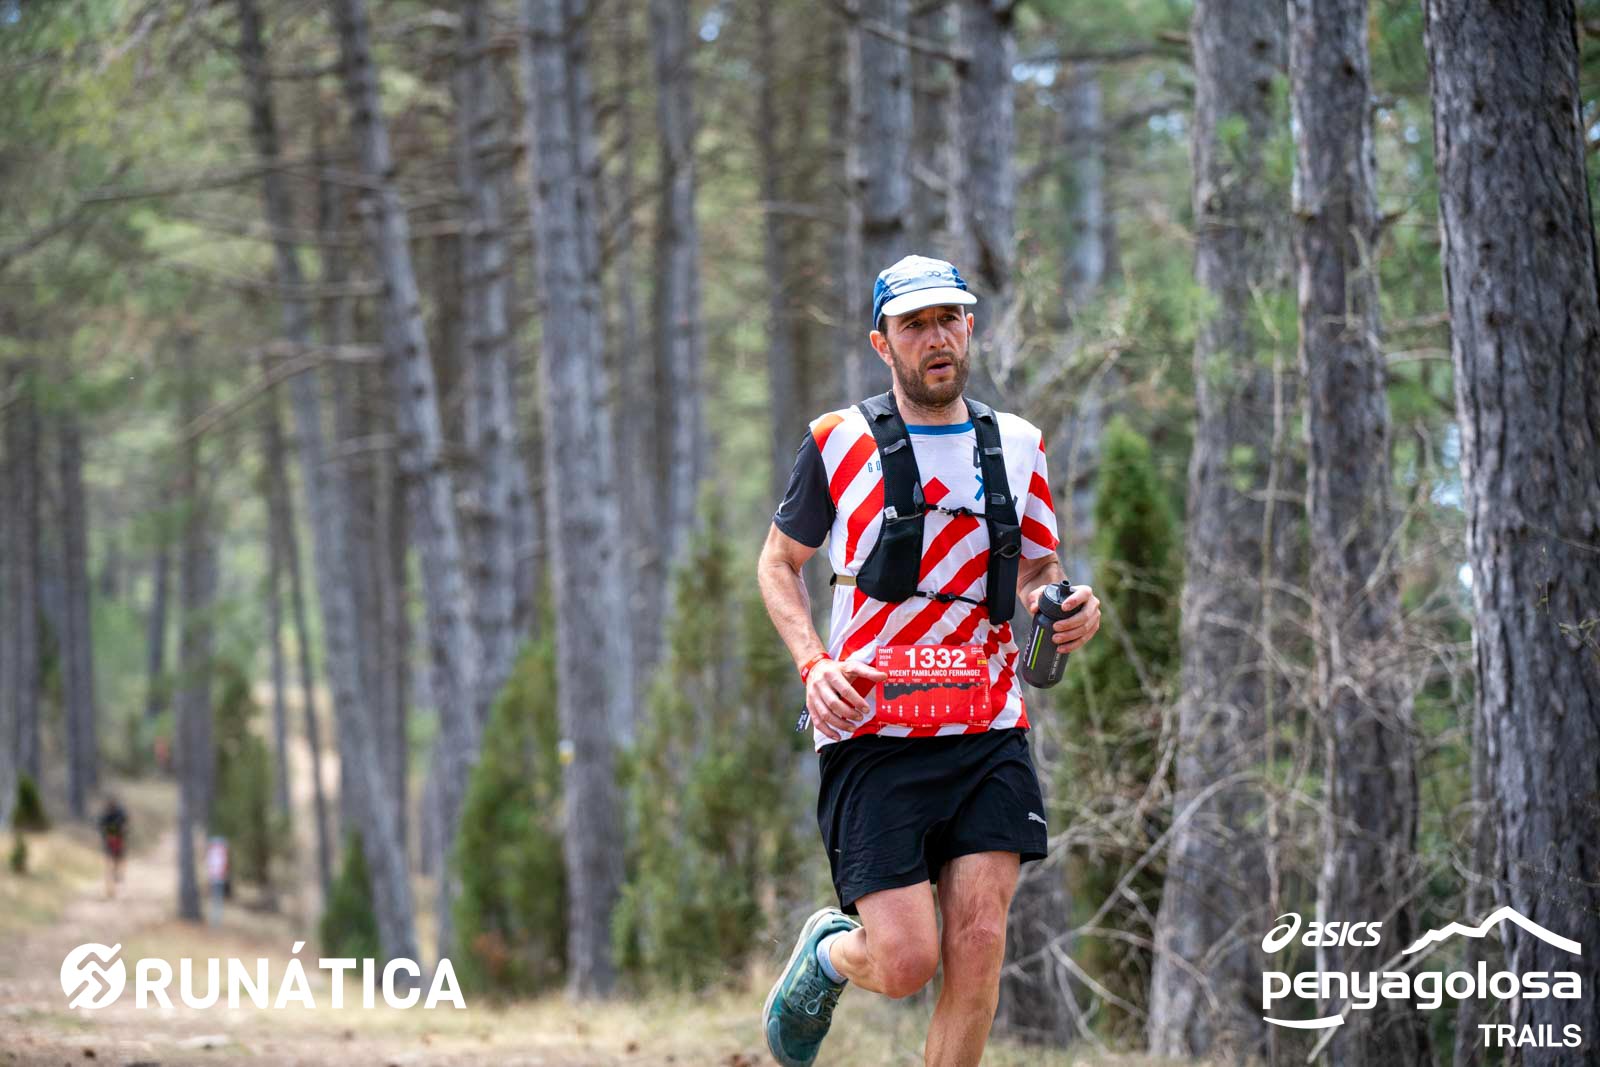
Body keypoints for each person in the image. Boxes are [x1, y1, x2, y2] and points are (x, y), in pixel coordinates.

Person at [757, 255, 1102, 1067]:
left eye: (948, 319)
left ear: (970, 327)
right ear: (883, 343)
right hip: (873, 730)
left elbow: (1039, 567)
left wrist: (1065, 604)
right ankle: (828, 956)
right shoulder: (837, 441)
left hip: (988, 727)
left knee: (978, 946)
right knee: (906, 961)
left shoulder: (1018, 444)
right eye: (914, 324)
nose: (936, 337)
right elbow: (778, 562)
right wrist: (814, 664)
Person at [97, 795, 129, 900]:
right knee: (109, 865)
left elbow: (125, 826)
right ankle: (110, 889)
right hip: (110, 842)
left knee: (117, 863)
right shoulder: (105, 815)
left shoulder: (120, 813)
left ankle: (116, 883)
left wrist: (118, 832)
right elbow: (101, 827)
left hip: (118, 841)